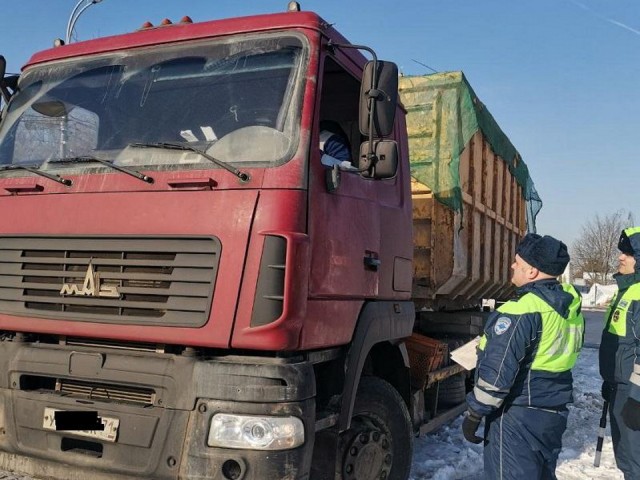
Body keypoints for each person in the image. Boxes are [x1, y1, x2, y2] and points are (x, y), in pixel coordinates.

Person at [462, 233, 585, 480]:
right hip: (552, 412)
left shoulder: (520, 311)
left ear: (532, 272)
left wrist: (475, 414)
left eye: (517, 262)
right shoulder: (568, 308)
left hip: (517, 416)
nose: (512, 266)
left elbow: (497, 376)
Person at [599, 226, 640, 479]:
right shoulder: (627, 291)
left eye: (628, 253)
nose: (620, 257)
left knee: (636, 463)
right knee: (627, 461)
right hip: (620, 388)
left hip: (634, 394)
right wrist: (610, 380)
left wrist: (636, 397)